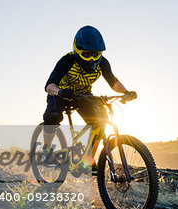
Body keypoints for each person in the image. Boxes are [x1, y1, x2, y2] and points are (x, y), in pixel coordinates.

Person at [43, 25, 136, 173]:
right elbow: (49, 86)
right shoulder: (67, 60)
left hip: (82, 95)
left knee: (101, 120)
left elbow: (114, 82)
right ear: (78, 51)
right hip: (60, 93)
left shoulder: (103, 63)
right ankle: (46, 152)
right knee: (53, 116)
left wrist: (126, 92)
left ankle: (87, 160)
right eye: (87, 54)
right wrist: (60, 92)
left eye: (96, 54)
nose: (92, 58)